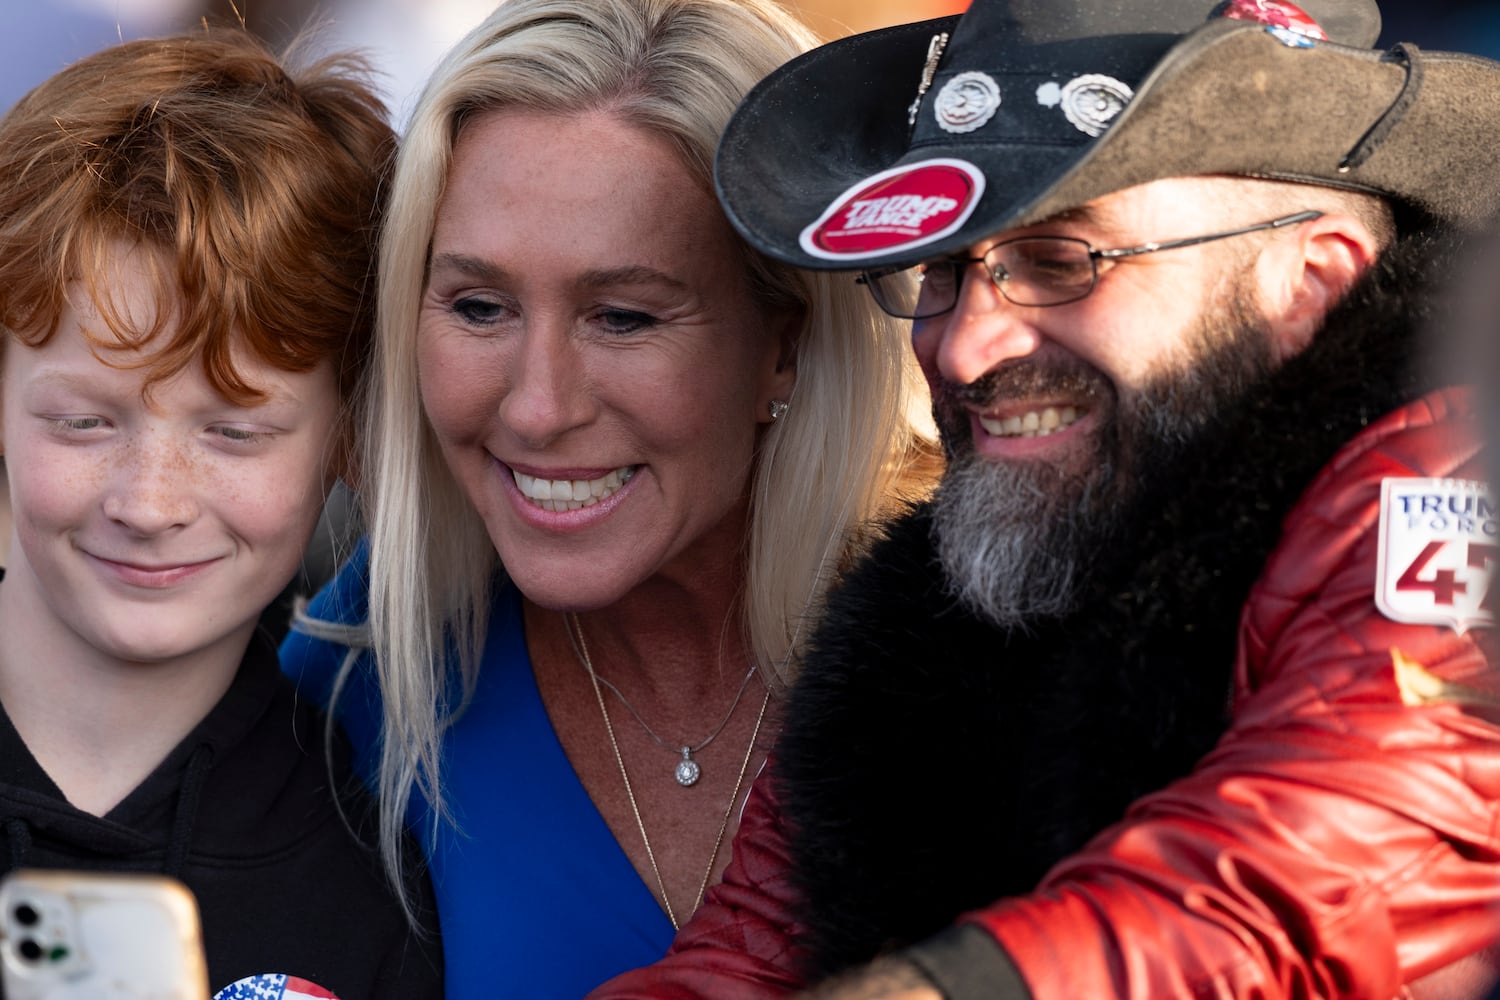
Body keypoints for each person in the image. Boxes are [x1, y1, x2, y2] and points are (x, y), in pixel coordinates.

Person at [593, 0, 1500, 997]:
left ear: (1311, 284)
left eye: (1062, 263)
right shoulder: (956, 589)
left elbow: (1323, 866)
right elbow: (752, 948)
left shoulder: (1453, 469)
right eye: (944, 271)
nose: (965, 346)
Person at [277, 0, 938, 995]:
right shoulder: (360, 671)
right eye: (478, 306)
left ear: (786, 346)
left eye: (623, 316)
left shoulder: (988, 637)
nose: (539, 408)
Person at [0, 29, 443, 998]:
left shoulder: (369, 886)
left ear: (347, 442)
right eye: (82, 420)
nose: (149, 503)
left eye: (235, 433)